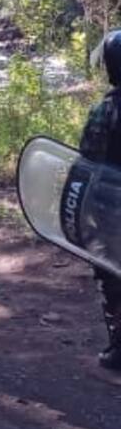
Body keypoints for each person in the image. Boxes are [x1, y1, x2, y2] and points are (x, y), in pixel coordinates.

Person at [78, 29, 121, 371]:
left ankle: (119, 348)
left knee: (112, 275)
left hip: (113, 210)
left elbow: (88, 160)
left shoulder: (104, 112)